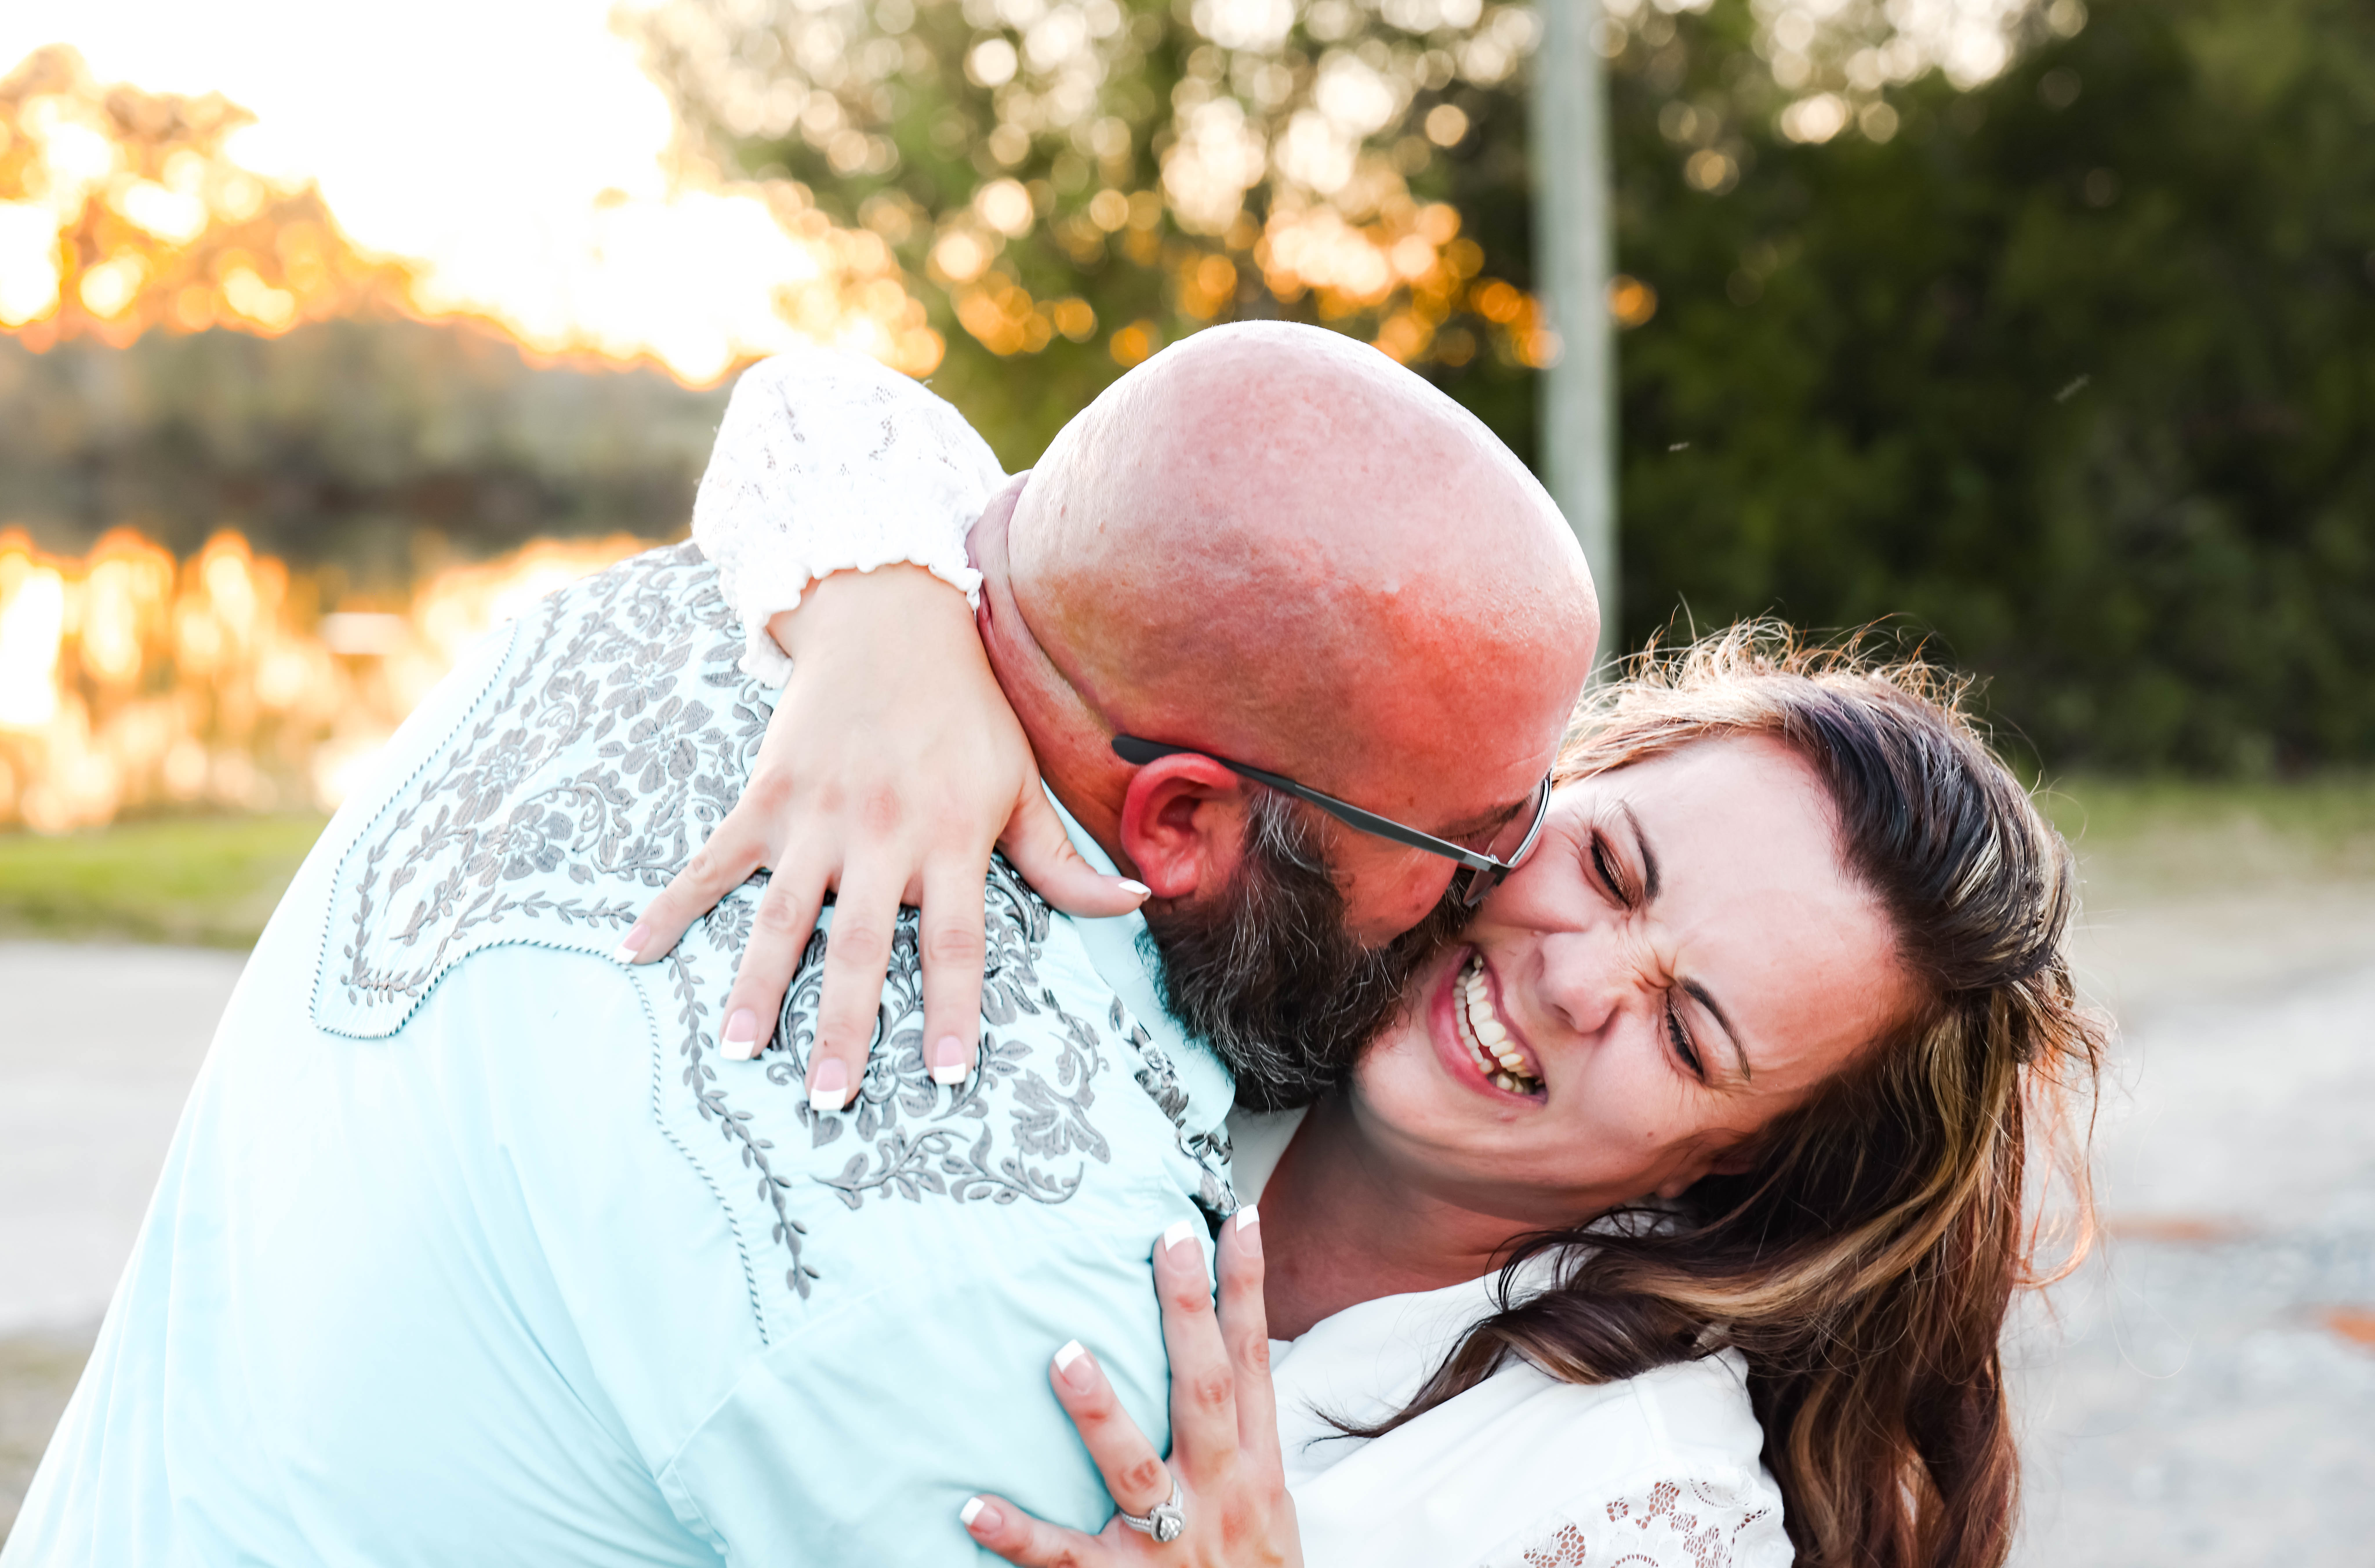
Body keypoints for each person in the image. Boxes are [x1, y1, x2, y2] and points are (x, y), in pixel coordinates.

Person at [0, 326, 1601, 1566]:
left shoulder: (691, 606)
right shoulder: (1037, 1325)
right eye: (1471, 842)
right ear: (1181, 821)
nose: (1510, 891)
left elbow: (864, 434)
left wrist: (883, 600)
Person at [636, 368, 2106, 1568]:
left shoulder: (1637, 1502)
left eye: (1687, 1034)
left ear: (1732, 1164)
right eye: (1603, 865)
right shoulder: (1258, 919)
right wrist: (886, 628)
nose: (1578, 980)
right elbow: (830, 417)